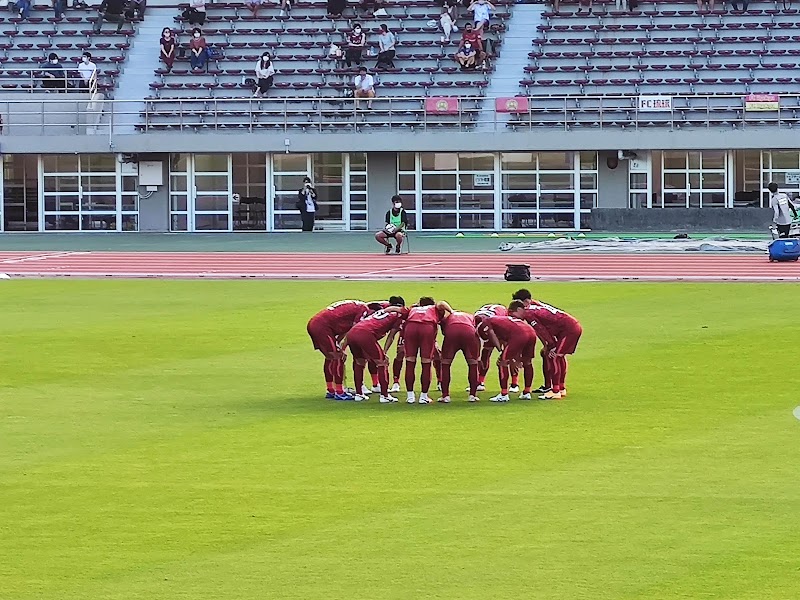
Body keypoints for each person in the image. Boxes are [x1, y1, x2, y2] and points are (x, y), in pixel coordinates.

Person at [510, 296, 582, 400]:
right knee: (556, 356)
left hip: (568, 329)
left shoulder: (529, 314)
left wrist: (551, 345)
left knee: (555, 356)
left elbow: (540, 329)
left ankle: (556, 391)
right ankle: (560, 388)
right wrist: (548, 345)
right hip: (569, 326)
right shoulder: (534, 305)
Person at [340, 302, 409, 403]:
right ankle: (384, 395)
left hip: (352, 333)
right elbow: (391, 336)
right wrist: (384, 352)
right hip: (365, 334)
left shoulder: (382, 312)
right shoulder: (400, 316)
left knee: (360, 362)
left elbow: (390, 310)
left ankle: (359, 394)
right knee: (382, 363)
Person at [307, 299, 373, 401]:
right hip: (323, 327)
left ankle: (331, 389)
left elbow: (345, 330)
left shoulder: (356, 307)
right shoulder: (363, 309)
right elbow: (354, 330)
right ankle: (340, 392)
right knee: (338, 357)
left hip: (315, 323)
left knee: (330, 357)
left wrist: (339, 345)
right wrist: (342, 348)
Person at [476, 304, 538, 403]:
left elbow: (492, 335)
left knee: (502, 363)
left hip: (519, 334)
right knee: (527, 362)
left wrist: (501, 351)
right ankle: (526, 392)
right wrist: (514, 358)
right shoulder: (502, 319)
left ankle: (504, 394)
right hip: (531, 331)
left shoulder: (486, 322)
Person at [403, 297, 452, 404]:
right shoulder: (434, 308)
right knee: (426, 363)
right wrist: (452, 312)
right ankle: (423, 396)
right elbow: (442, 303)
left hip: (410, 327)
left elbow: (399, 310)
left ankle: (410, 396)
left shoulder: (413, 309)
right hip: (426, 327)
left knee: (410, 362)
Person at [473, 303, 518, 393]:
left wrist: (500, 349)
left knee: (509, 353)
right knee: (485, 352)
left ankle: (514, 383)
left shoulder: (496, 321)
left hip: (501, 324)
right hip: (489, 322)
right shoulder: (474, 322)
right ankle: (480, 382)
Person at [438, 309, 481, 404]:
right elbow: (478, 331)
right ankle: (472, 395)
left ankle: (445, 396)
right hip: (469, 332)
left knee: (445, 364)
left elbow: (444, 331)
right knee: (473, 364)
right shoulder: (471, 316)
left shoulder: (448, 317)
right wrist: (477, 353)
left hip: (452, 332)